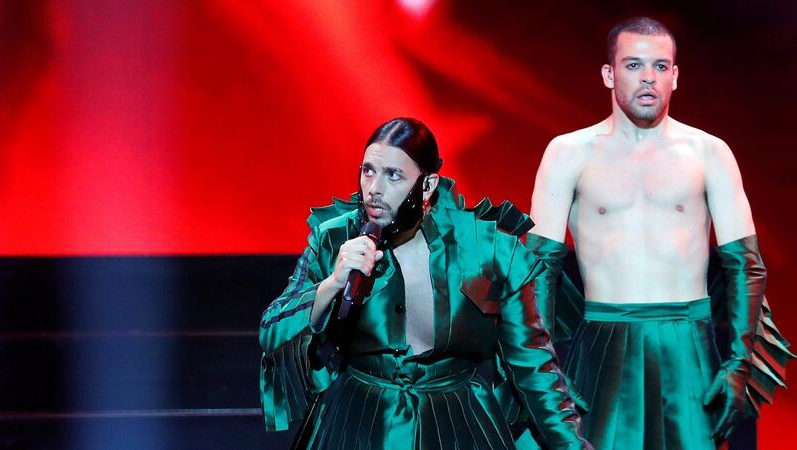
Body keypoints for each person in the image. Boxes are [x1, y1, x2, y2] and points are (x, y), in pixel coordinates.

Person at [527, 17, 792, 450]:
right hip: (603, 341)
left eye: (661, 67)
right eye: (633, 65)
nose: (648, 78)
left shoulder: (710, 153)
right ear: (609, 74)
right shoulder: (568, 153)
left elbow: (745, 264)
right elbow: (537, 271)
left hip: (687, 342)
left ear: (675, 77)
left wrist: (740, 362)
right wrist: (543, 371)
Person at [259, 118, 590, 449]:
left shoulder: (486, 251)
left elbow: (534, 369)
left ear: (428, 185)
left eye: (393, 175)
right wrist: (332, 283)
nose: (374, 188)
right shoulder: (334, 239)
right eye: (368, 171)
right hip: (358, 423)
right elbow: (272, 328)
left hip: (457, 425)